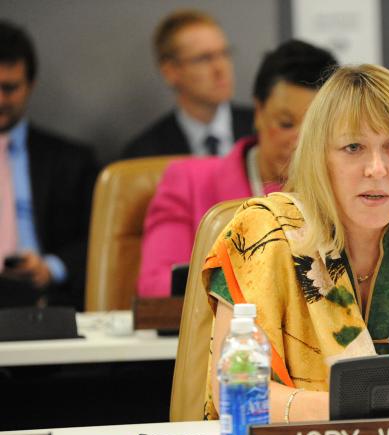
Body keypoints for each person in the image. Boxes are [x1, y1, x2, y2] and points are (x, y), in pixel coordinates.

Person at [202, 64, 389, 422]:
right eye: (353, 147)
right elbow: (235, 394)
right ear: (321, 158)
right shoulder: (264, 234)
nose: (377, 168)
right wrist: (367, 408)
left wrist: (364, 408)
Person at [137, 40, 337, 297]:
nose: (299, 141)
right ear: (258, 112)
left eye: (314, 128)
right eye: (286, 123)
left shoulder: (344, 190)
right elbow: (156, 285)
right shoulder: (189, 181)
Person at [0, 20, 99, 310]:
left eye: (9, 88)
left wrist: (51, 267)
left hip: (47, 302)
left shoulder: (71, 160)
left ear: (31, 85)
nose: (0, 99)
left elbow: (101, 240)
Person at [121, 9, 252, 158]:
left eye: (224, 54)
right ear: (170, 72)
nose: (221, 68)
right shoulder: (143, 156)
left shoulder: (263, 133)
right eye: (204, 58)